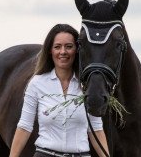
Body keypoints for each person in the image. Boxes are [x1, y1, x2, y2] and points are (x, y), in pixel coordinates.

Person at [9, 24, 110, 157]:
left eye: (69, 46)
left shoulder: (87, 86)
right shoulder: (37, 83)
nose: (63, 52)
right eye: (57, 47)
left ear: (77, 50)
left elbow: (96, 129)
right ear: (50, 50)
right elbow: (24, 126)